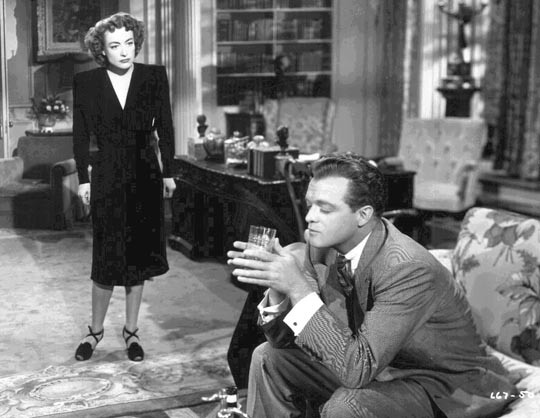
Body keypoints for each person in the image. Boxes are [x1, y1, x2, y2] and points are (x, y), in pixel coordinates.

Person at [227, 153, 517, 418]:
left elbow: (357, 370)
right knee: (267, 357)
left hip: (445, 385)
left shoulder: (407, 268)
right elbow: (283, 341)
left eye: (324, 209)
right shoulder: (320, 245)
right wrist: (279, 286)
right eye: (310, 205)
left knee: (347, 406)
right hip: (379, 367)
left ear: (363, 215)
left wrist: (299, 288)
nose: (309, 217)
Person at [72, 12, 176, 362]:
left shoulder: (153, 76)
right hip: (107, 175)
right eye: (115, 45)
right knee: (106, 256)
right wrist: (83, 179)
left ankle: (131, 331)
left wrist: (168, 172)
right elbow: (80, 135)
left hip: (145, 174)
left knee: (138, 256)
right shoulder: (86, 82)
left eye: (129, 43)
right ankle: (95, 331)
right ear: (101, 50)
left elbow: (166, 126)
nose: (124, 51)